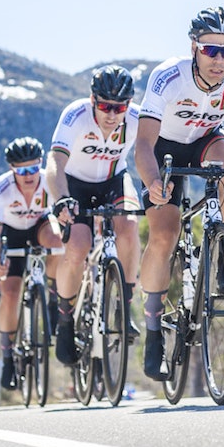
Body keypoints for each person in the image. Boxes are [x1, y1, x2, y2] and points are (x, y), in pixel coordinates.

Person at [135, 7, 224, 380]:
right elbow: (142, 145)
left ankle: (222, 257)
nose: (219, 60)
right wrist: (154, 181)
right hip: (162, 151)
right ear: (194, 48)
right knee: (165, 233)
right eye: (210, 50)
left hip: (205, 141)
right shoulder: (168, 77)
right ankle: (154, 333)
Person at [47, 65, 143, 367]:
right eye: (104, 106)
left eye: (119, 107)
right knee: (78, 246)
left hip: (114, 179)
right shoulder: (75, 116)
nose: (112, 114)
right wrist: (61, 197)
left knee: (128, 225)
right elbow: (55, 162)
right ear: (92, 100)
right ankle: (65, 320)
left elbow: (153, 149)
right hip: (75, 184)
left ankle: (124, 308)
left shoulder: (137, 119)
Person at [0, 136, 64, 390]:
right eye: (22, 171)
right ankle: (8, 355)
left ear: (40, 164)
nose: (29, 175)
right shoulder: (0, 189)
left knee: (56, 239)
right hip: (11, 233)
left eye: (33, 168)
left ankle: (52, 297)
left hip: (39, 225)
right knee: (9, 294)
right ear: (12, 169)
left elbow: (61, 220)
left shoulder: (48, 181)